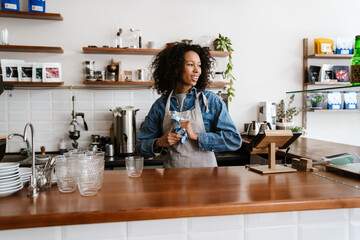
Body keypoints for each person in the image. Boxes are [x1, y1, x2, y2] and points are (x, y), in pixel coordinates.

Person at [135, 43, 242, 168]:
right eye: (190, 65)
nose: (197, 70)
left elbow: (234, 140)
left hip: (206, 179)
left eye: (199, 65)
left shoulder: (210, 101)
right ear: (175, 68)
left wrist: (196, 136)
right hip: (172, 180)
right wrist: (158, 142)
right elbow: (139, 148)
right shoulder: (161, 105)